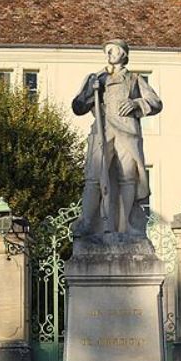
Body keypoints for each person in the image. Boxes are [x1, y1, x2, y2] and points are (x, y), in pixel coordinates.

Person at [71, 39, 162, 238]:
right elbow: (78, 107)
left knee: (129, 177)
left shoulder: (135, 79)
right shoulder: (96, 78)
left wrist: (136, 103)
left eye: (113, 50)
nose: (109, 54)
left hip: (127, 132)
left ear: (123, 54)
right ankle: (87, 222)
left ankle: (125, 225)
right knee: (94, 177)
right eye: (107, 51)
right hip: (102, 131)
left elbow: (156, 102)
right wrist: (89, 91)